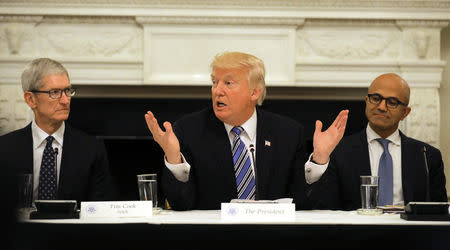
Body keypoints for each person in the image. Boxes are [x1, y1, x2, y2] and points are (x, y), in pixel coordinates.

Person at [145, 51, 348, 210]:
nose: (218, 90)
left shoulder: (287, 133)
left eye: (228, 83)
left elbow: (304, 204)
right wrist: (173, 158)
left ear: (254, 92)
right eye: (214, 82)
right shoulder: (189, 130)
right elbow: (182, 205)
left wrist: (319, 158)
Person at [309, 73, 447, 210]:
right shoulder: (339, 151)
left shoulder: (427, 157)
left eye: (392, 102)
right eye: (376, 98)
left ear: (405, 112)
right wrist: (319, 159)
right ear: (367, 101)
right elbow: (319, 206)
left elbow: (439, 214)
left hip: (409, 231)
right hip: (356, 230)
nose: (381, 107)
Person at [0, 58, 116, 206]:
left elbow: (102, 208)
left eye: (67, 91)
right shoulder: (5, 148)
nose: (65, 100)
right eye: (54, 92)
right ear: (30, 99)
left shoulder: (92, 149)